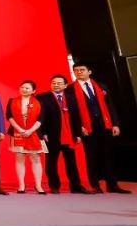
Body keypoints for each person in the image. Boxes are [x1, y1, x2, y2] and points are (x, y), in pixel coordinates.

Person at [66, 62, 130, 194]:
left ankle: (112, 185)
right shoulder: (70, 89)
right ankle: (95, 185)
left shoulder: (101, 86)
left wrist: (115, 124)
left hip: (104, 124)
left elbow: (110, 105)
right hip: (86, 128)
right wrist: (79, 127)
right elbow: (71, 112)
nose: (79, 72)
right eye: (76, 70)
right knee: (91, 156)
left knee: (108, 155)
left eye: (82, 70)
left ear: (89, 72)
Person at [37, 74, 88, 194]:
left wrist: (78, 134)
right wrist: (42, 133)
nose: (56, 85)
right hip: (51, 135)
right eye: (53, 83)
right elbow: (39, 117)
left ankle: (76, 186)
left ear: (65, 85)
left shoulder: (71, 98)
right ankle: (54, 186)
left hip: (69, 135)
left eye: (59, 83)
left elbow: (76, 117)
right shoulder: (42, 97)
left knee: (71, 162)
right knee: (51, 162)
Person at [8, 80, 47, 194]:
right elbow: (9, 116)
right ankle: (21, 185)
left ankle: (38, 185)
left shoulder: (39, 102)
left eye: (27, 88)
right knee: (20, 158)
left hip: (34, 132)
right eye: (22, 87)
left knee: (36, 159)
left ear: (33, 91)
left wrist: (30, 131)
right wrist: (20, 130)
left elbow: (41, 119)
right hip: (17, 132)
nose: (24, 90)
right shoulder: (12, 101)